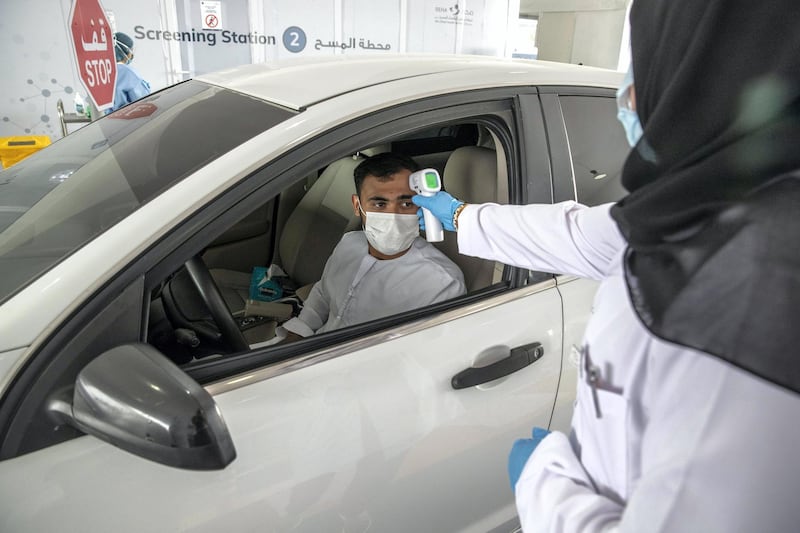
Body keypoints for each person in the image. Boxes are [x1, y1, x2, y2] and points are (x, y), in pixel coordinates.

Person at [413, 0, 800, 530]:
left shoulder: (755, 288)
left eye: (645, 62)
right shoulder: (699, 208)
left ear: (701, 76)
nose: (629, 95)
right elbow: (581, 234)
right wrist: (461, 215)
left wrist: (545, 484)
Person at [280, 152, 466, 341]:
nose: (393, 215)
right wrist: (297, 332)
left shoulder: (442, 285)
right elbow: (323, 293)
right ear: (357, 205)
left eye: (406, 203)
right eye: (379, 204)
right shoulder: (349, 243)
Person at [108, 32, 150, 113]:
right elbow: (145, 103)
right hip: (129, 121)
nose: (132, 54)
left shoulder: (102, 72)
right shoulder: (128, 73)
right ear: (125, 50)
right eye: (131, 50)